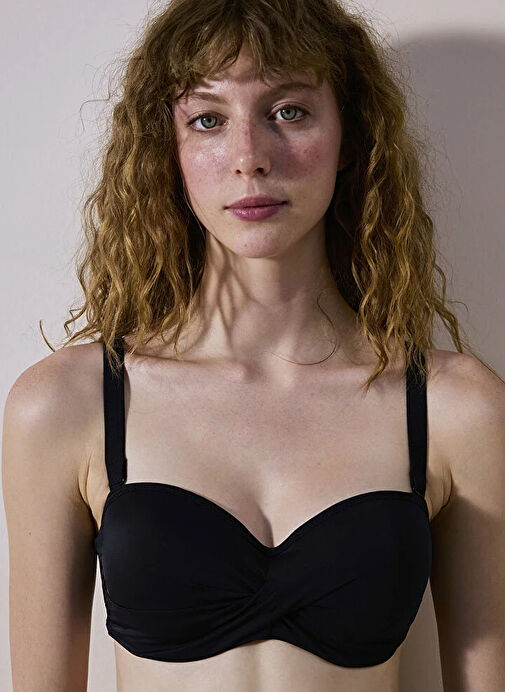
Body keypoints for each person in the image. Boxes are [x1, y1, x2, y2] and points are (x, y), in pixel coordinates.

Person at [3, 0, 505, 690]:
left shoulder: (456, 409)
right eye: (207, 119)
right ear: (168, 150)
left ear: (350, 136)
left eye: (288, 112)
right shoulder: (66, 404)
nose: (249, 158)